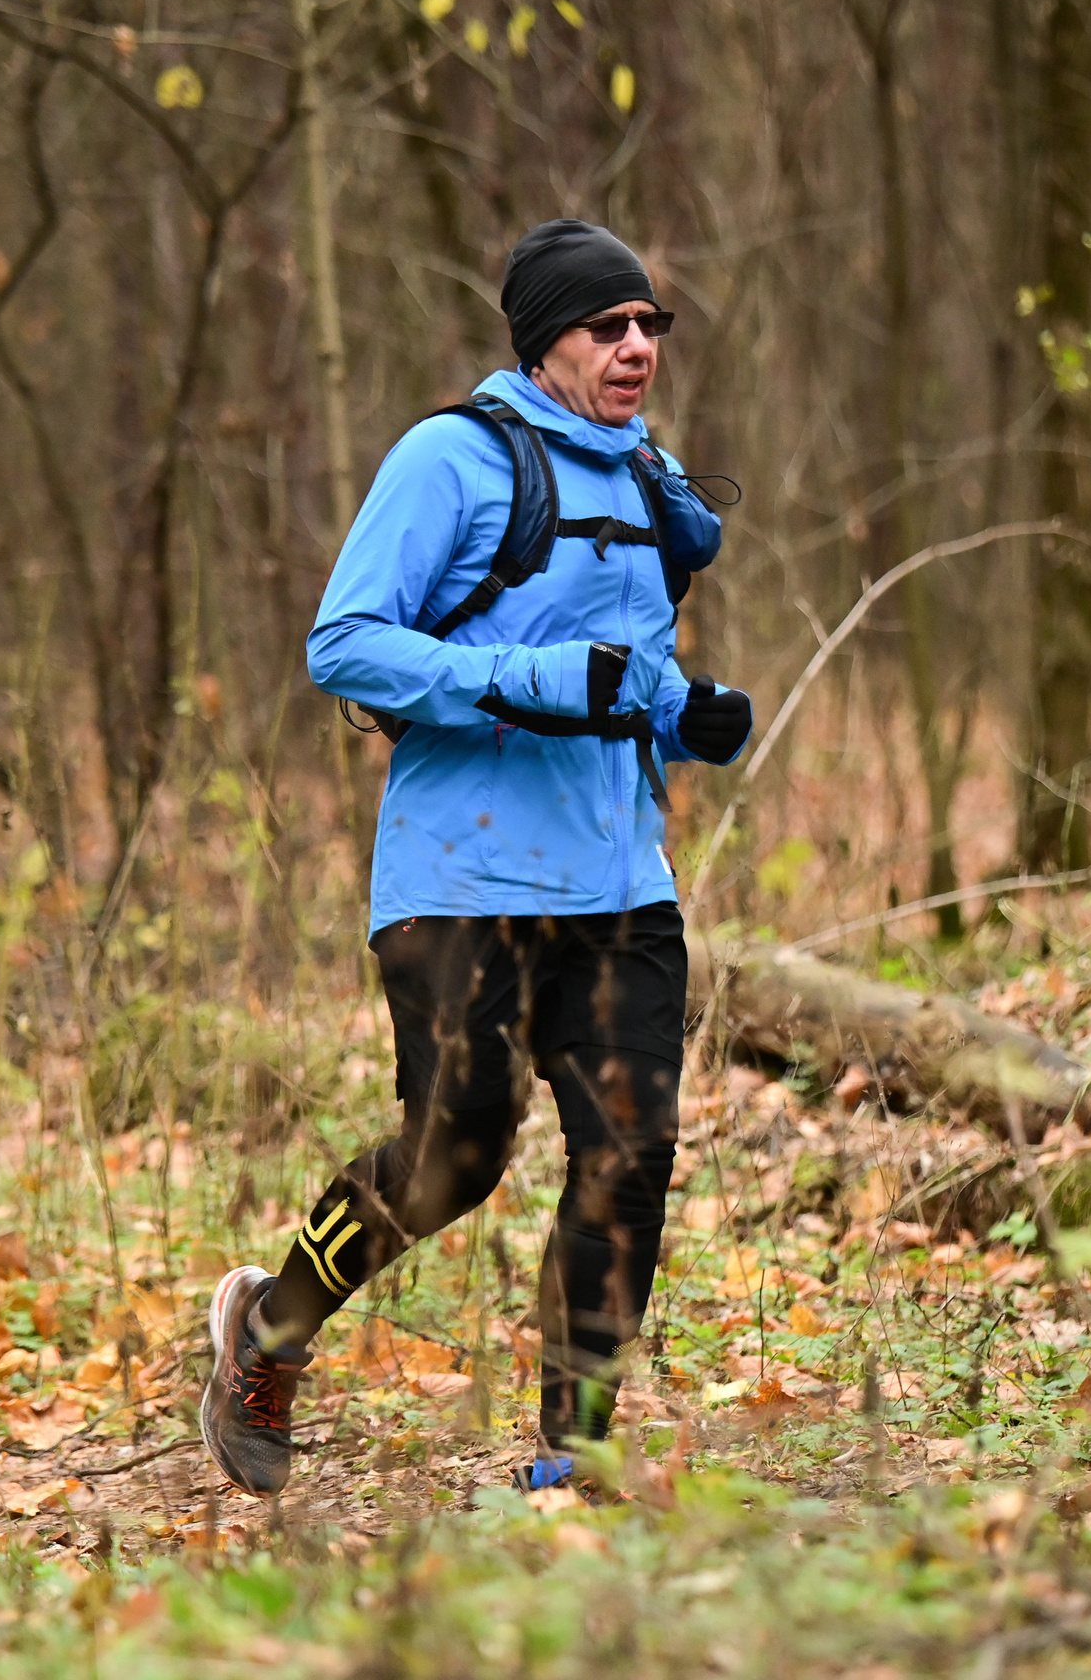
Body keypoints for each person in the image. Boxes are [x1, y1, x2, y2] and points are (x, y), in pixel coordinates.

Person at [199, 219, 755, 1496]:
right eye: (605, 327)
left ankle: (571, 1462)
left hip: (622, 886)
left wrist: (687, 712)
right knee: (456, 1152)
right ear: (543, 338)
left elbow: (628, 670)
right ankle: (266, 1337)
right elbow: (342, 646)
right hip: (461, 882)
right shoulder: (448, 459)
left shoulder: (647, 482)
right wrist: (533, 679)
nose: (634, 349)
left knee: (629, 1156)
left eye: (648, 327)